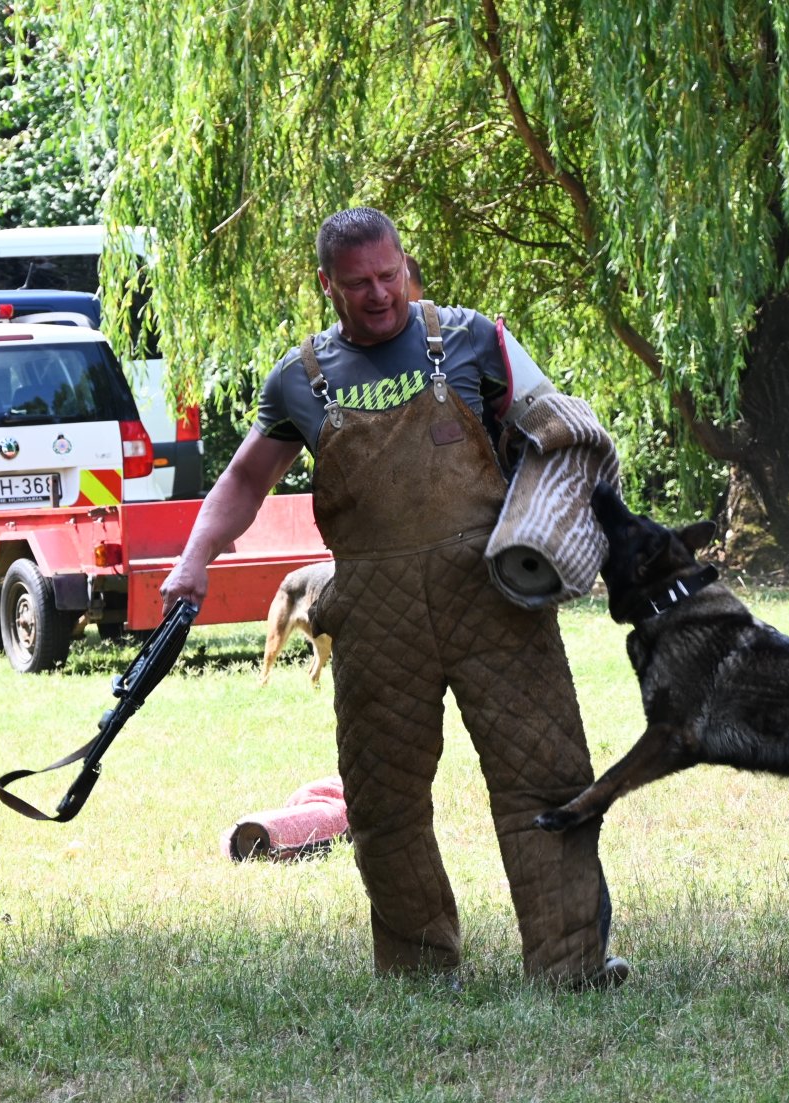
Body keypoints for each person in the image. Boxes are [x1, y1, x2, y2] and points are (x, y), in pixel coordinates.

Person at [162, 208, 626, 988]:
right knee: (383, 802)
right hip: (375, 619)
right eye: (359, 284)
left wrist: (586, 524)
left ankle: (571, 964)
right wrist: (193, 559)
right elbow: (244, 479)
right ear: (328, 286)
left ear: (404, 264)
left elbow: (564, 432)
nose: (380, 295)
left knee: (545, 777)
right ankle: (418, 969)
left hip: (494, 600)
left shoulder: (474, 339)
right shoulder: (301, 379)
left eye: (389, 275)